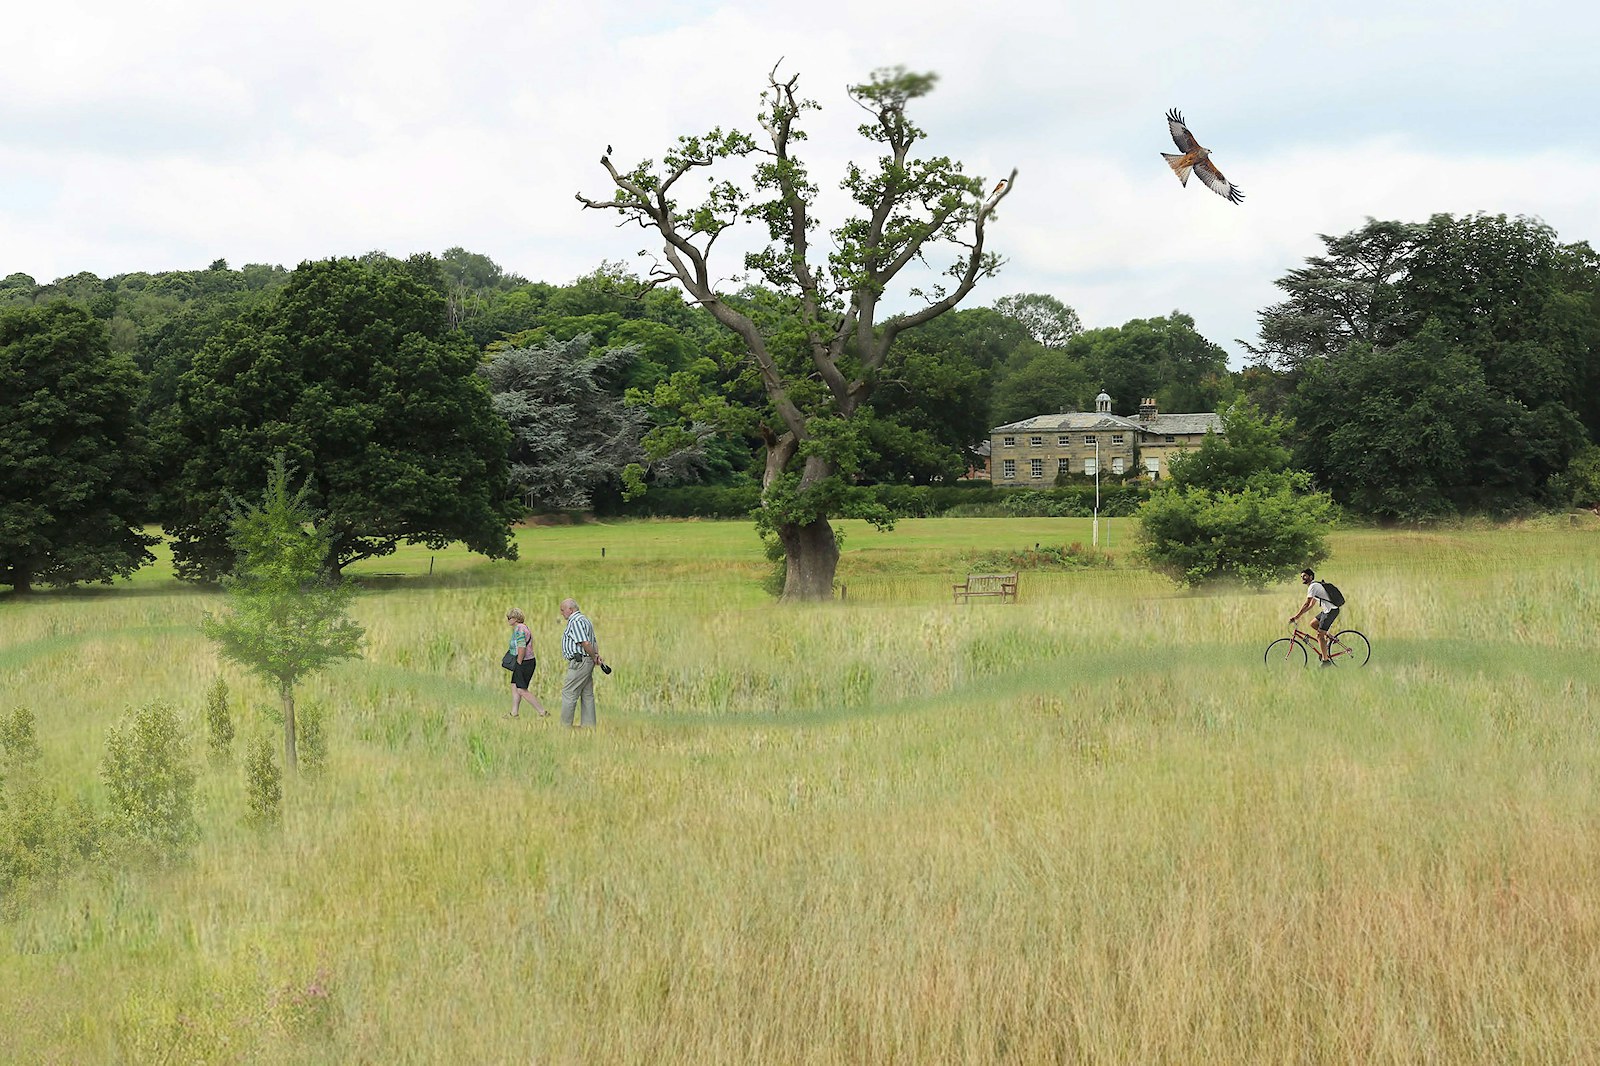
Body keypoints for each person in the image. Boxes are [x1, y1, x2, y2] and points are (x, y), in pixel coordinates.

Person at [558, 598, 606, 728]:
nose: (562, 613)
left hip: (579, 662)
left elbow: (585, 643)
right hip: (587, 660)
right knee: (587, 694)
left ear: (570, 609)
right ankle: (589, 727)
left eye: (563, 610)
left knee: (569, 693)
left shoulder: (576, 621)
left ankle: (564, 727)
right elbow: (593, 641)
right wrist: (595, 656)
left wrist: (593, 655)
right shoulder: (585, 620)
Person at [1290, 568, 1339, 666]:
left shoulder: (1312, 586)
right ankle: (1329, 637)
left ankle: (1326, 661)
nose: (1303, 578)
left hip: (1331, 611)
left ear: (1310, 577)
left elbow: (1306, 603)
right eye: (1301, 577)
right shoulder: (1315, 585)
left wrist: (1296, 616)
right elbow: (1311, 605)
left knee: (1319, 636)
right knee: (1313, 624)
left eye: (1305, 576)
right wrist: (1300, 615)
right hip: (1327, 611)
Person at [505, 608, 548, 718]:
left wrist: (519, 662)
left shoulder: (520, 629)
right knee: (514, 685)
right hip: (526, 661)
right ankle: (514, 713)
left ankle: (542, 712)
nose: (508, 620)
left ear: (515, 618)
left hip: (524, 662)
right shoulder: (523, 627)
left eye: (509, 618)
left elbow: (521, 647)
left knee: (521, 689)